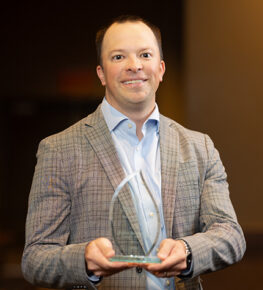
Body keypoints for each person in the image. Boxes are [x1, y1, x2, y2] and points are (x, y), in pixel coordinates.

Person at [22, 15, 246, 290]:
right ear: (101, 73)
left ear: (160, 69)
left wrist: (187, 251)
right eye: (118, 57)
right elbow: (35, 257)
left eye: (145, 54)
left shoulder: (200, 147)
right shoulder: (58, 149)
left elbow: (230, 235)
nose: (134, 66)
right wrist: (83, 260)